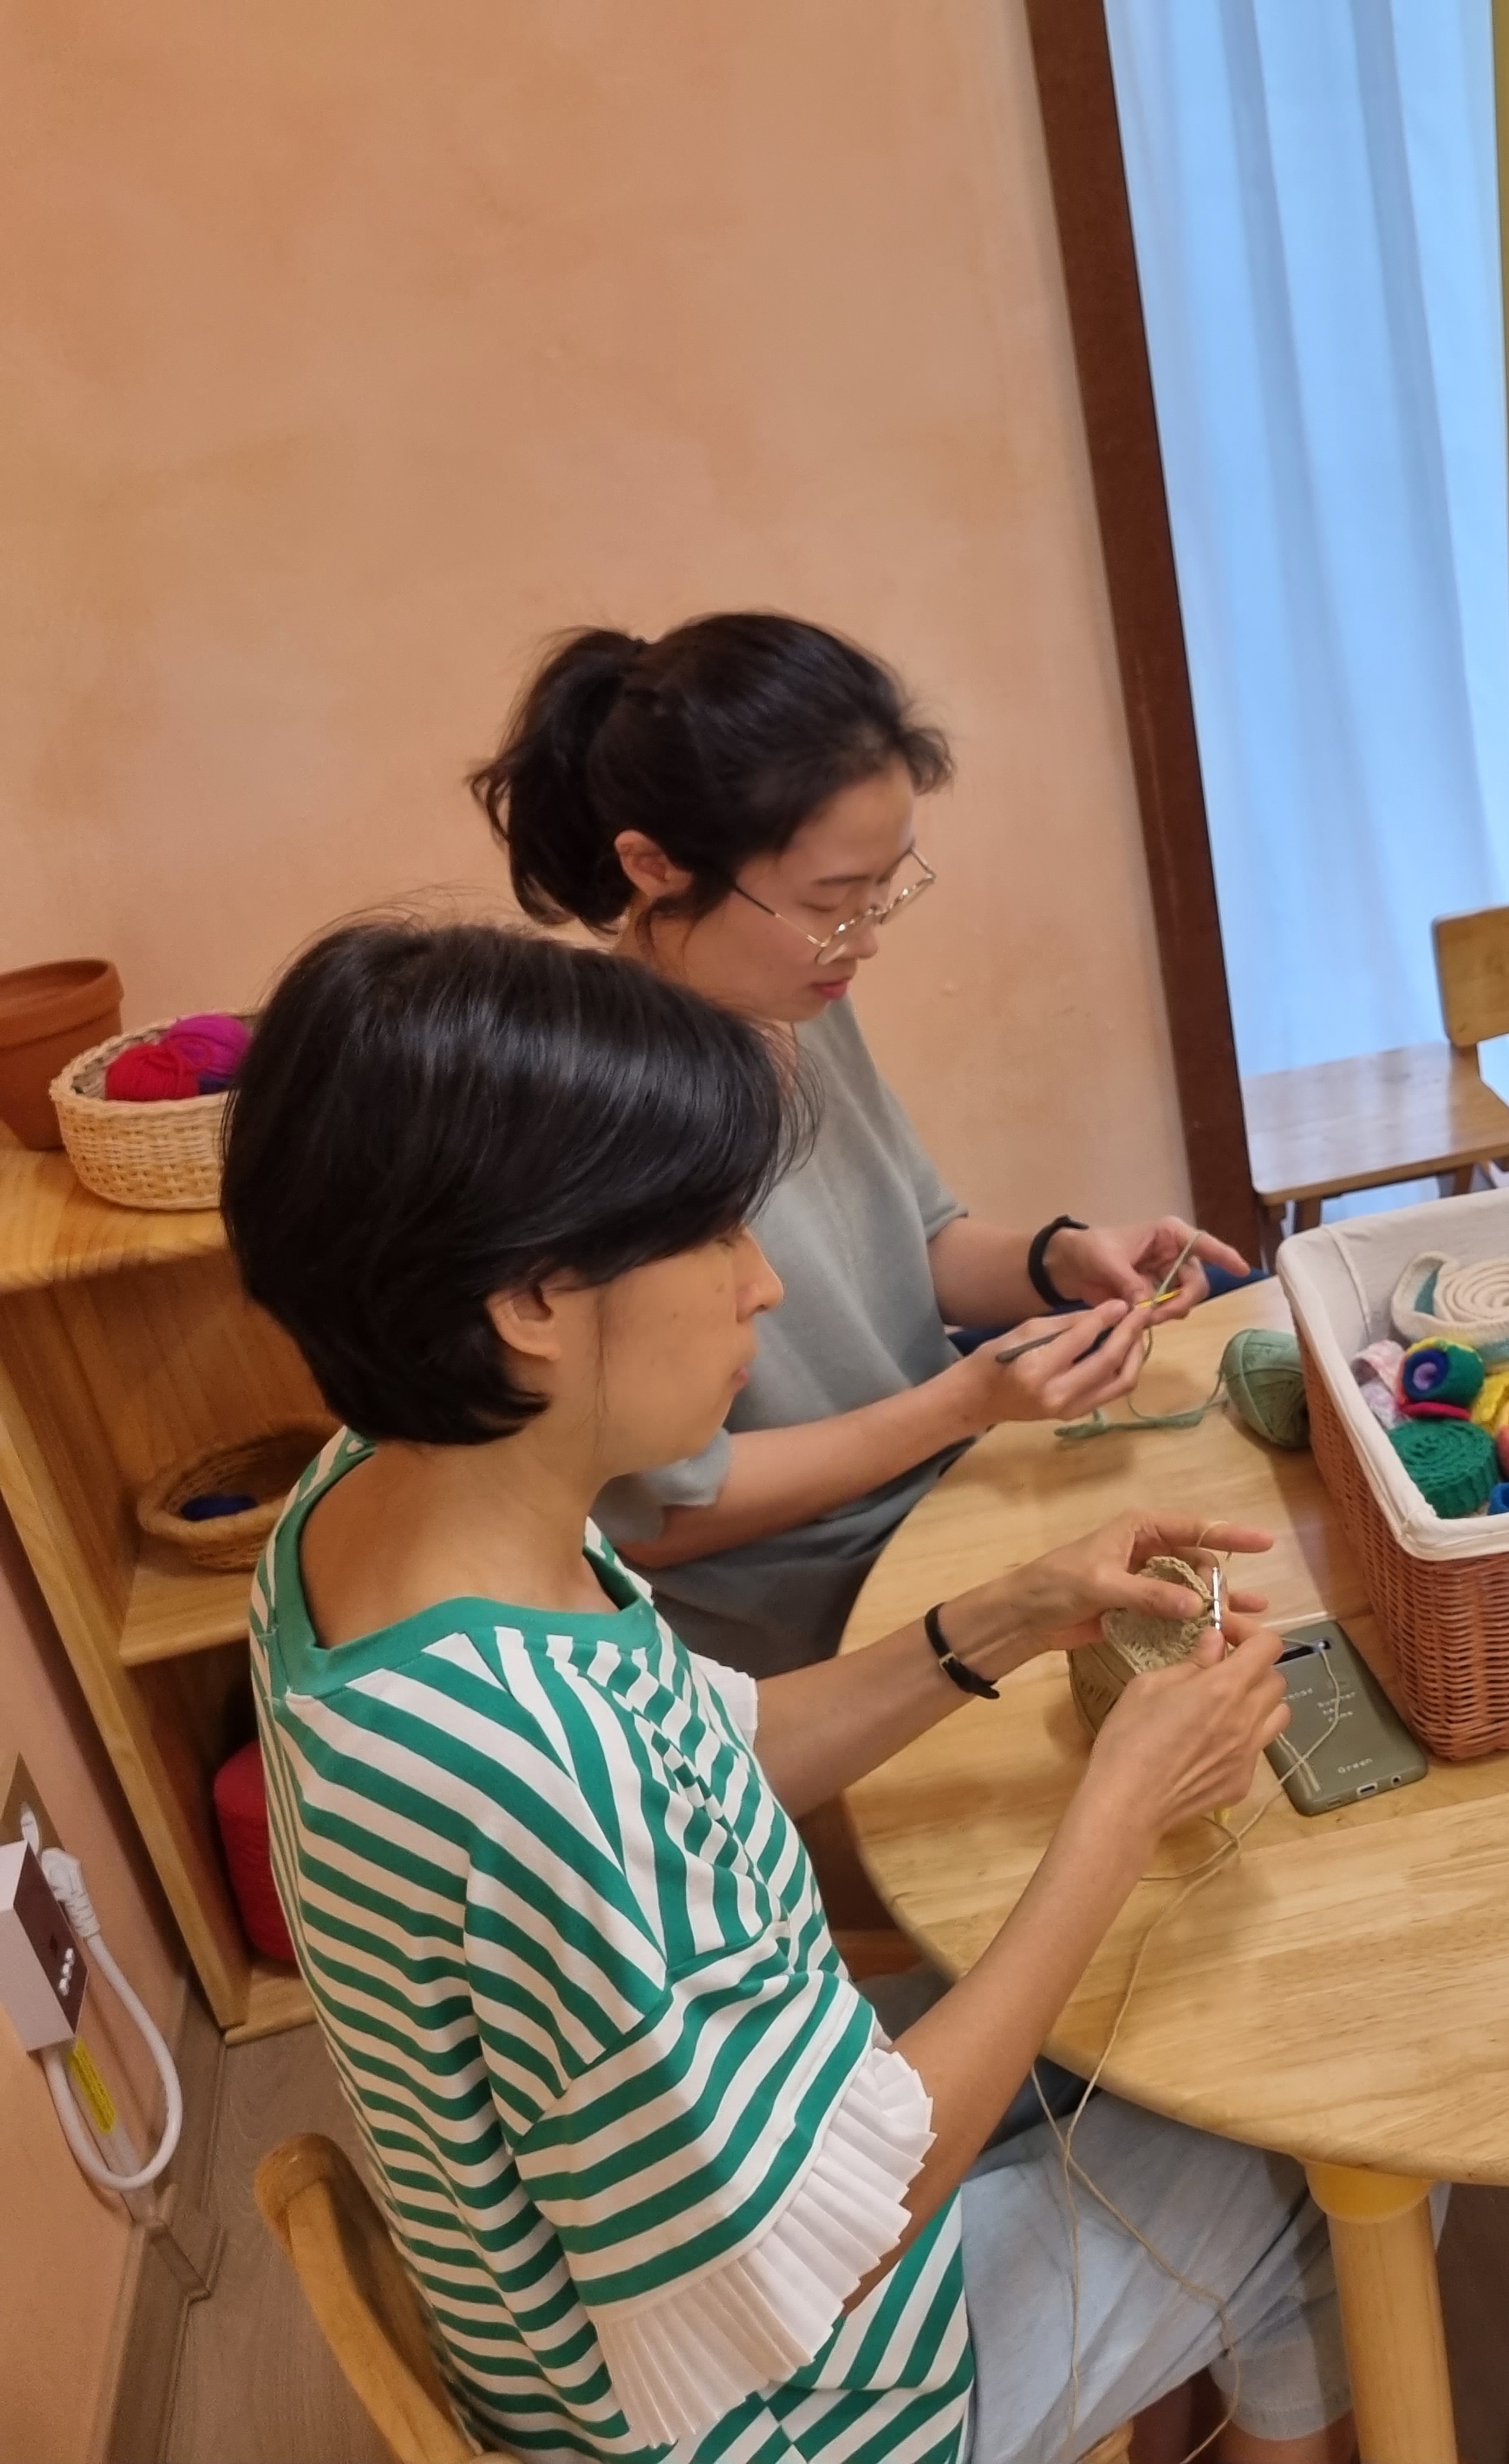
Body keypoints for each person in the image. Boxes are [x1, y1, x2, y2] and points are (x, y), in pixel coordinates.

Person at [226, 919, 1349, 2464]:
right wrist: (1117, 1808)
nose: (763, 1284)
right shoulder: (533, 1769)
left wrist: (1008, 1615)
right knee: (1306, 2147)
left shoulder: (372, 1499)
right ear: (530, 1297)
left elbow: (700, 1752)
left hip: (615, 2284)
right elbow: (835, 2234)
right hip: (777, 2415)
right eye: (712, 1235)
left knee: (1162, 2031)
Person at [473, 613, 1247, 1676]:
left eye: (886, 889)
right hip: (812, 1616)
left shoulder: (797, 1001)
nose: (868, 939)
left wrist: (1060, 1260)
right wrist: (962, 1402)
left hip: (945, 1491)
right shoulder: (598, 1117)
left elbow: (916, 1242)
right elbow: (664, 1516)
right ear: (652, 866)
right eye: (831, 902)